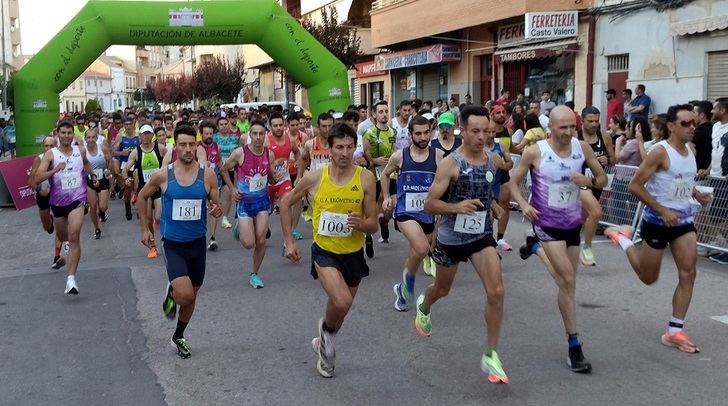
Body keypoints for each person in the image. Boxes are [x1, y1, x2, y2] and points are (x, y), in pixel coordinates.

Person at [604, 104, 712, 354]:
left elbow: (683, 181)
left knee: (689, 273)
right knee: (648, 278)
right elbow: (635, 185)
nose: (691, 127)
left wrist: (696, 193)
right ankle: (623, 239)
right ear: (671, 127)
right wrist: (662, 209)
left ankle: (674, 331)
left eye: (693, 123)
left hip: (683, 222)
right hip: (656, 221)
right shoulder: (659, 152)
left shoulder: (691, 151)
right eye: (685, 123)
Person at [508, 105, 607, 373]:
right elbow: (513, 183)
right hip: (547, 224)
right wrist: (523, 206)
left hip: (572, 225)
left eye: (571, 127)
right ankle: (574, 345)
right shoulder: (535, 151)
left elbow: (602, 178)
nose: (568, 132)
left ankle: (535, 248)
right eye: (562, 127)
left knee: (566, 285)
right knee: (568, 279)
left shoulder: (582, 148)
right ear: (550, 128)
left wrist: (586, 179)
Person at [414, 106, 509, 383]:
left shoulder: (492, 159)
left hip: (480, 237)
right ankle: (425, 304)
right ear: (463, 131)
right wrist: (456, 208)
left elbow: (483, 192)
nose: (482, 137)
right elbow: (429, 204)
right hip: (451, 238)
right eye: (475, 131)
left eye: (485, 131)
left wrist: (493, 207)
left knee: (497, 291)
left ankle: (491, 354)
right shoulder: (450, 164)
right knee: (442, 289)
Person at [279, 123, 378, 378]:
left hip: (353, 253)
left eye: (349, 147)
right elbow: (285, 202)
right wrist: (289, 241)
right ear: (329, 149)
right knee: (342, 300)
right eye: (339, 147)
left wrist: (361, 223)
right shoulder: (315, 178)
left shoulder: (365, 178)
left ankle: (324, 339)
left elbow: (373, 224)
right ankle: (326, 339)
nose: (344, 153)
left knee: (341, 309)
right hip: (325, 252)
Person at [139, 125, 222, 359]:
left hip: (197, 244)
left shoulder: (207, 175)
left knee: (191, 296)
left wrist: (217, 210)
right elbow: (143, 196)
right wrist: (145, 228)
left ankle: (178, 335)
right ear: (175, 147)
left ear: (196, 146)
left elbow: (216, 206)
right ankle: (175, 290)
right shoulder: (163, 175)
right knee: (185, 294)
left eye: (191, 144)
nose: (187, 149)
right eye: (182, 145)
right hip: (173, 243)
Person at [380, 115, 444, 311]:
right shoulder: (400, 156)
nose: (423, 137)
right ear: (410, 135)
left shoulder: (439, 156)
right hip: (405, 211)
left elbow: (446, 181)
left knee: (416, 252)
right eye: (418, 133)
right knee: (423, 248)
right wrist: (386, 197)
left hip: (428, 213)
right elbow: (384, 174)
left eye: (426, 133)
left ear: (431, 132)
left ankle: (402, 289)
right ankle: (408, 285)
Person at [35, 121, 100, 295]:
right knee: (63, 236)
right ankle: (66, 248)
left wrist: (92, 174)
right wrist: (55, 169)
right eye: (63, 133)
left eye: (69, 133)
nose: (66, 136)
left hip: (77, 201)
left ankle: (71, 279)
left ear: (73, 135)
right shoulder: (50, 154)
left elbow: (86, 163)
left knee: (74, 235)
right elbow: (38, 176)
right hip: (57, 204)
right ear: (58, 134)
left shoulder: (80, 151)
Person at [220, 120, 278, 289]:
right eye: (255, 134)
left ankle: (254, 273)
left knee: (261, 240)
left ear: (265, 135)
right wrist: (232, 189)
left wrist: (275, 176)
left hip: (262, 202)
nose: (258, 137)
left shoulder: (270, 154)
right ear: (249, 135)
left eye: (261, 133)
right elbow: (224, 169)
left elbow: (272, 177)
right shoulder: (240, 153)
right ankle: (240, 226)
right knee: (249, 243)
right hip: (245, 203)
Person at [577, 106, 615, 267]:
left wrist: (607, 159)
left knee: (581, 217)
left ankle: (542, 234)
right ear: (582, 121)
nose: (594, 124)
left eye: (596, 121)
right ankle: (587, 247)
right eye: (590, 121)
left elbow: (614, 159)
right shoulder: (575, 136)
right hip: (578, 183)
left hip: (596, 182)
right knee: (596, 211)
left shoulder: (605, 137)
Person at [124, 124, 166, 259]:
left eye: (149, 133)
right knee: (148, 220)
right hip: (145, 191)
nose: (146, 136)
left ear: (152, 135)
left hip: (159, 188)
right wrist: (126, 179)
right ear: (140, 136)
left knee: (158, 216)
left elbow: (171, 163)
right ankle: (153, 246)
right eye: (144, 134)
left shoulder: (160, 149)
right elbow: (125, 169)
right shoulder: (136, 152)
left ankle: (164, 235)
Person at [363, 101, 397, 253]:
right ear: (374, 115)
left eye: (386, 111)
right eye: (381, 112)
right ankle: (368, 236)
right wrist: (374, 161)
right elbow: (366, 153)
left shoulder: (393, 132)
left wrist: (395, 163)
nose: (384, 114)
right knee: (373, 203)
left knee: (393, 202)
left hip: (390, 171)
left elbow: (395, 151)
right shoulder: (369, 133)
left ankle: (384, 221)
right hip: (373, 173)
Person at [29, 136, 66, 269]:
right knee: (48, 228)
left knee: (60, 226)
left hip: (58, 195)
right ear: (43, 147)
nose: (49, 149)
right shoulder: (38, 159)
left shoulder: (61, 157)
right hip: (43, 194)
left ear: (56, 146)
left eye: (52, 146)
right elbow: (31, 181)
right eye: (46, 146)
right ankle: (48, 221)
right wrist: (40, 189)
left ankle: (57, 256)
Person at [266, 112, 300, 242]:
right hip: (267, 182)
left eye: (280, 125)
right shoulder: (265, 141)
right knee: (267, 210)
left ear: (284, 125)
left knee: (285, 205)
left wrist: (297, 166)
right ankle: (264, 225)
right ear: (270, 127)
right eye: (275, 126)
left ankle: (288, 239)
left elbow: (297, 153)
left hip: (284, 180)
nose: (278, 128)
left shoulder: (290, 140)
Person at [84, 129, 114, 239]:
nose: (91, 140)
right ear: (85, 139)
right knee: (92, 206)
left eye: (93, 137)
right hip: (89, 180)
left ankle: (102, 212)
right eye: (88, 137)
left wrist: (108, 170)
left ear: (96, 138)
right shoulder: (83, 151)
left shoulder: (102, 148)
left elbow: (110, 160)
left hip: (102, 179)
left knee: (103, 206)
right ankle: (96, 228)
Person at [198, 121, 223, 251]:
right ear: (201, 134)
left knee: (214, 208)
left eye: (211, 133)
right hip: (199, 184)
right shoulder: (196, 148)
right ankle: (200, 236)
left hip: (214, 182)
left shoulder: (216, 147)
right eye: (206, 133)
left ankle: (213, 237)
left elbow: (219, 163)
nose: (209, 136)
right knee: (201, 211)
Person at [214, 116, 240, 230]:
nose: (224, 126)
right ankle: (215, 211)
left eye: (226, 124)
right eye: (221, 124)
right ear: (218, 127)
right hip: (216, 169)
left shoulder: (234, 138)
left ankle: (224, 218)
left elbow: (239, 152)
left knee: (228, 193)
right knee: (215, 195)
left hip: (229, 169)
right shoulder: (214, 138)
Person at [113, 117, 140, 220]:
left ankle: (139, 209)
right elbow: (113, 152)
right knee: (128, 188)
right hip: (125, 165)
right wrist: (121, 153)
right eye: (126, 124)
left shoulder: (138, 136)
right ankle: (127, 206)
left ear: (133, 124)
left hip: (136, 164)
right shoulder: (120, 136)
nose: (128, 126)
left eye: (130, 124)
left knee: (137, 187)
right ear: (123, 126)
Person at [692, 100, 714, 176]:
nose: (692, 115)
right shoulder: (714, 128)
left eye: (694, 113)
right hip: (708, 173)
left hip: (700, 174)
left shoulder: (698, 132)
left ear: (702, 115)